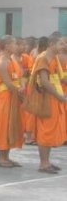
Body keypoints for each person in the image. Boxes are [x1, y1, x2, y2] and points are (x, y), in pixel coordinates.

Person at [29, 33, 66, 173]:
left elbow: (59, 79)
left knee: (50, 130)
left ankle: (47, 162)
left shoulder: (54, 58)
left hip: (54, 97)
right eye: (61, 43)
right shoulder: (43, 58)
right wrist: (60, 96)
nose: (64, 46)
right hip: (46, 98)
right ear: (52, 44)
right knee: (46, 130)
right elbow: (44, 82)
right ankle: (43, 164)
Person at [0, 35, 24, 168]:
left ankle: (7, 156)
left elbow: (20, 76)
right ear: (6, 46)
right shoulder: (2, 63)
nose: (16, 46)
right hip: (5, 96)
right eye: (14, 44)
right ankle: (1, 158)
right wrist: (19, 91)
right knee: (4, 125)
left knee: (12, 124)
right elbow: (8, 83)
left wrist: (21, 87)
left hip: (14, 94)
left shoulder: (12, 60)